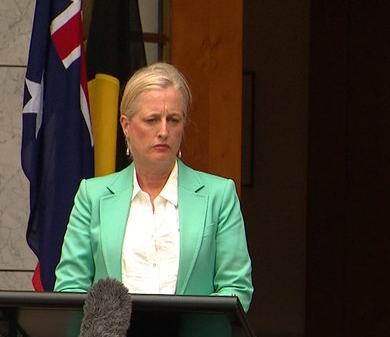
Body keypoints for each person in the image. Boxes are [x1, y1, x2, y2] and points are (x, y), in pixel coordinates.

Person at [54, 62, 253, 312]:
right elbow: (70, 287)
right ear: (126, 125)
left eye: (174, 120)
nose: (164, 131)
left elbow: (236, 288)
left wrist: (183, 329)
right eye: (152, 119)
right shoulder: (92, 196)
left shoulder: (219, 195)